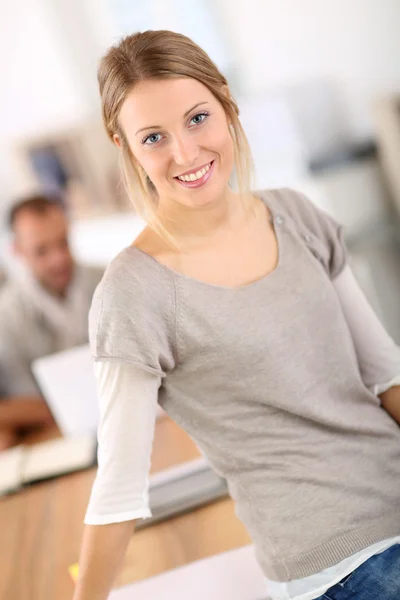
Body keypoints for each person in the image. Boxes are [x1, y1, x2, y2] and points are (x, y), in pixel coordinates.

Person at [73, 30, 400, 600]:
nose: (185, 154)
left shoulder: (296, 215)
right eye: (154, 137)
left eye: (198, 118)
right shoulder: (134, 293)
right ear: (124, 146)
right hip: (338, 563)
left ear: (227, 104)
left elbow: (386, 375)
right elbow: (119, 489)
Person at [0, 194, 103, 399]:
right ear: (17, 251)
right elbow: (25, 399)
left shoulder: (111, 280)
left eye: (62, 243)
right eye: (41, 251)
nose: (58, 259)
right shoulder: (6, 319)